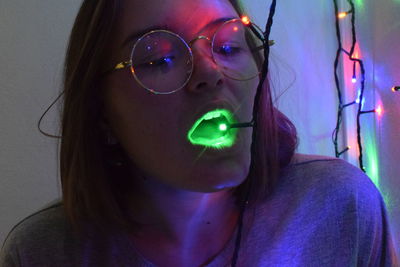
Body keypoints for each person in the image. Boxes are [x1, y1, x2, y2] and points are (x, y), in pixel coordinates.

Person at [1, 0, 398, 266]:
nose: (210, 72)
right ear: (101, 113)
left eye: (227, 47)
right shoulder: (43, 252)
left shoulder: (339, 206)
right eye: (160, 58)